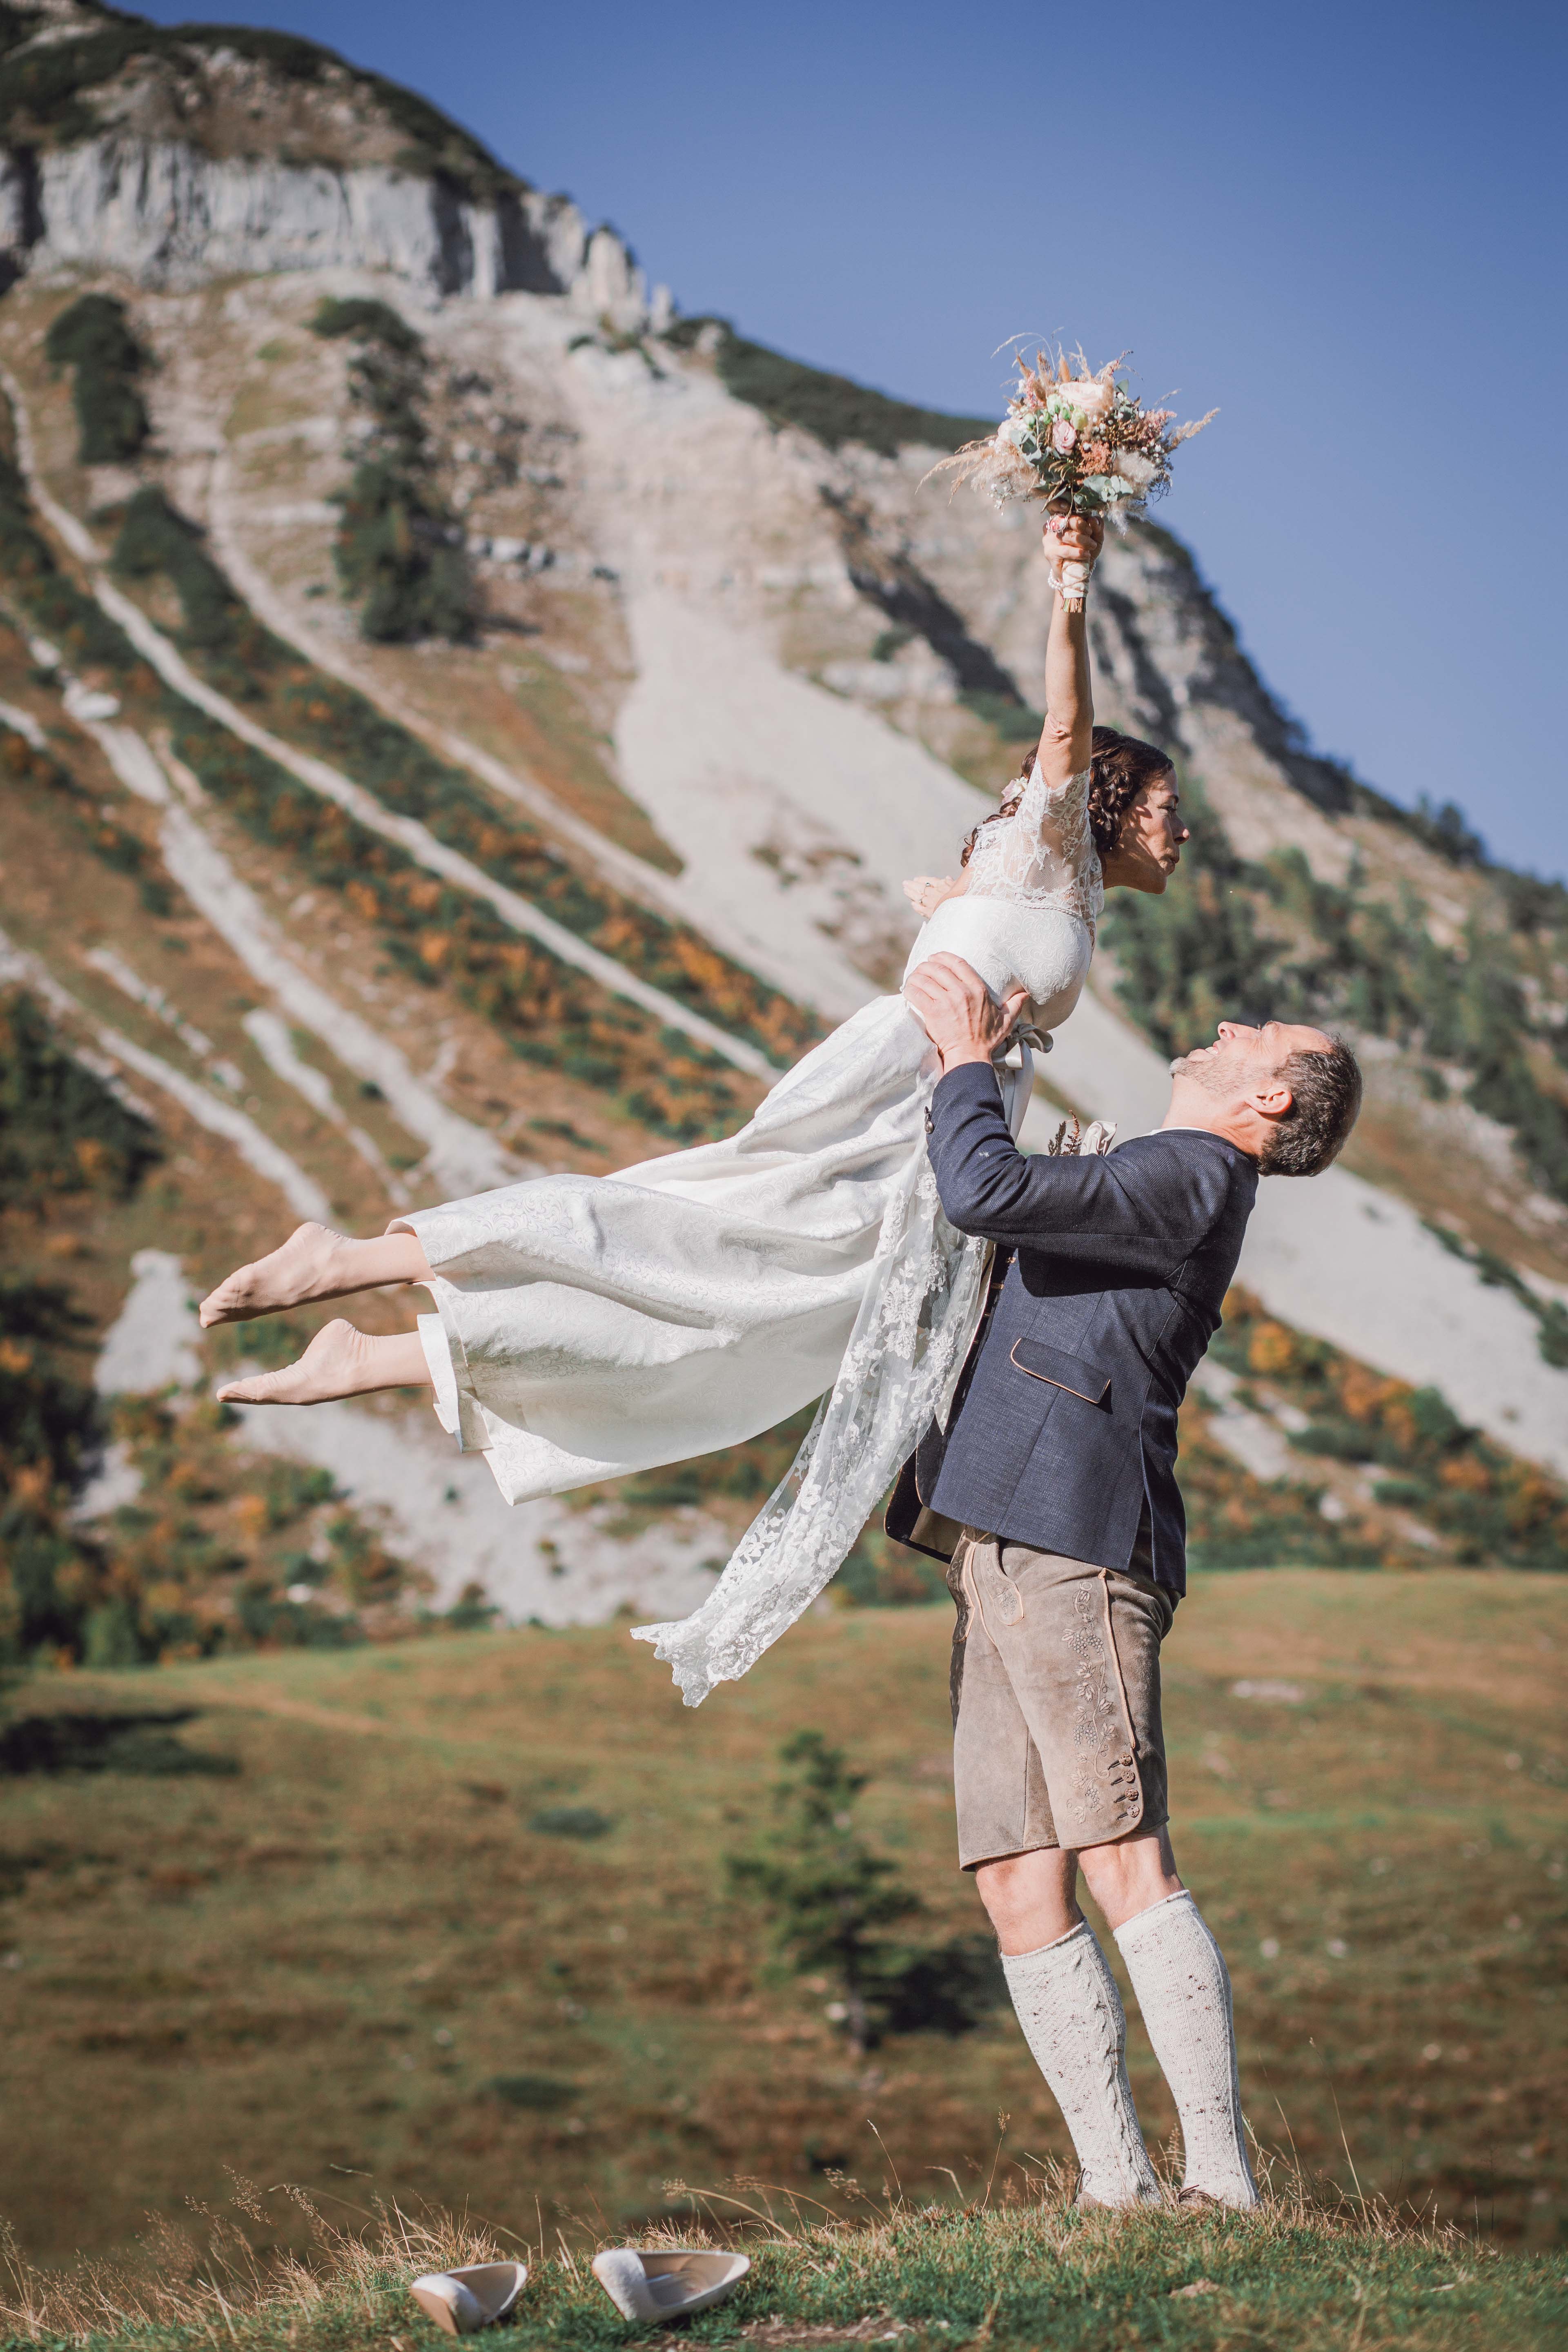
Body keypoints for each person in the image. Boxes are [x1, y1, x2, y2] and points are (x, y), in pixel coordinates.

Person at [198, 512, 1187, 1706]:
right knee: (682, 1235)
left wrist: (948, 900)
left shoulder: (1043, 883)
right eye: (1168, 804)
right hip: (895, 1099)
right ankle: (357, 1254)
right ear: (1116, 801)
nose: (1183, 830)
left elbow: (951, 898)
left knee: (758, 1333)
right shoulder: (1046, 838)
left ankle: (389, 1354)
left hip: (936, 1126)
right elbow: (1065, 725)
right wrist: (1070, 589)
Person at [895, 949, 1362, 2210]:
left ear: (1271, 1101)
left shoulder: (1198, 1172)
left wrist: (968, 1066)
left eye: (1252, 1030)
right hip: (1004, 1533)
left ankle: (1223, 2182)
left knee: (1122, 1855)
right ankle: (1121, 2190)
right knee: (1014, 1874)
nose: (1223, 1020)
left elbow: (984, 1191)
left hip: (1077, 1542)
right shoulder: (1164, 1175)